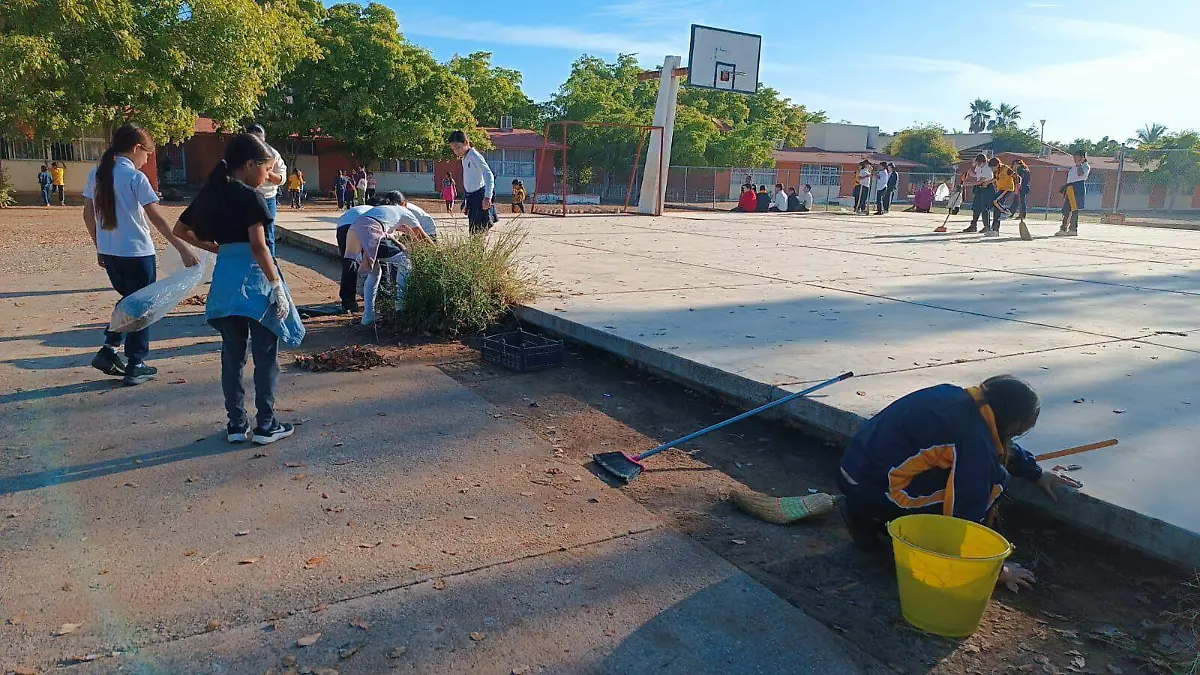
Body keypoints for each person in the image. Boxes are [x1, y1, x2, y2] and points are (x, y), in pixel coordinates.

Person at [837, 374, 1082, 591]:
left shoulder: (957, 396)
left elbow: (994, 442)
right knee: (995, 482)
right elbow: (967, 511)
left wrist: (1036, 473)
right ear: (1012, 423)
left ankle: (864, 514)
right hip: (877, 490)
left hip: (854, 470)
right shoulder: (973, 440)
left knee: (970, 470)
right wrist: (995, 570)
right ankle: (887, 528)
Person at [171, 133, 302, 446]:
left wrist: (218, 249)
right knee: (265, 355)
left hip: (225, 283)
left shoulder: (212, 192)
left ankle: (236, 424)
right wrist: (276, 285)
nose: (267, 177)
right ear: (250, 165)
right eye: (265, 169)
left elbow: (180, 229)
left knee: (232, 356)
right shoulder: (251, 197)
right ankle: (266, 425)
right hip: (256, 281)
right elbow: (259, 246)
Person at [82, 123, 200, 386]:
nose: (147, 159)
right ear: (137, 148)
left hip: (111, 252)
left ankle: (109, 349)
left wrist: (99, 246)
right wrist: (182, 247)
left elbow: (87, 214)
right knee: (142, 308)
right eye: (147, 153)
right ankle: (135, 363)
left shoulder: (97, 173)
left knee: (129, 302)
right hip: (136, 252)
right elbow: (157, 218)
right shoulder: (135, 178)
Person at [343, 194, 433, 326]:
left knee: (374, 273)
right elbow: (421, 235)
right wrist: (436, 250)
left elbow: (397, 232)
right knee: (406, 261)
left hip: (353, 231)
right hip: (371, 231)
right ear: (403, 204)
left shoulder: (384, 210)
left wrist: (403, 244)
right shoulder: (405, 211)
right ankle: (401, 307)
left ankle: (368, 316)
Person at [447, 130, 496, 235]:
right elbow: (469, 181)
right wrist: (466, 201)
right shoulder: (464, 158)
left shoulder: (474, 156)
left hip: (480, 196)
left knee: (479, 232)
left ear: (466, 142)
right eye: (453, 149)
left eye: (458, 147)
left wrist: (487, 197)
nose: (456, 151)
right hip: (471, 197)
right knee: (473, 232)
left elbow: (488, 175)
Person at [246, 125, 285, 254]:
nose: (258, 143)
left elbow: (282, 178)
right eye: (254, 139)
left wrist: (267, 173)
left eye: (260, 140)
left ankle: (270, 260)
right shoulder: (242, 154)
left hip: (268, 198)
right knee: (247, 232)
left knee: (268, 232)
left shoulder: (273, 154)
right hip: (247, 197)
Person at [335, 203, 374, 313]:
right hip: (358, 227)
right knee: (376, 261)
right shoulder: (377, 212)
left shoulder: (359, 209)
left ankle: (348, 302)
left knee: (349, 262)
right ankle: (379, 296)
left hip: (342, 228)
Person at [1057, 150, 1089, 237]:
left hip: (1077, 188)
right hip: (1070, 188)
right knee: (1067, 209)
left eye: (1076, 157)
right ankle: (1064, 228)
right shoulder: (1074, 167)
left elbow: (1080, 174)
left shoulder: (1085, 166)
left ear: (1082, 158)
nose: (1074, 159)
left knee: (1074, 209)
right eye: (1074, 157)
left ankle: (1072, 229)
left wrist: (1079, 164)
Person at [962, 154, 995, 234]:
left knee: (984, 208)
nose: (978, 164)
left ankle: (987, 227)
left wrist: (968, 184)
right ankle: (973, 226)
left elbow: (981, 181)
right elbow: (977, 176)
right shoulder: (978, 167)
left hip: (987, 188)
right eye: (977, 163)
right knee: (976, 207)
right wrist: (971, 174)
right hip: (979, 188)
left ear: (983, 161)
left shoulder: (987, 168)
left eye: (979, 163)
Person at [989, 157, 1021, 235]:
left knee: (995, 201)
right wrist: (987, 183)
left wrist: (1018, 185)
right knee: (996, 208)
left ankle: (1006, 212)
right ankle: (995, 230)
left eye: (992, 167)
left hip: (1007, 189)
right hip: (1000, 190)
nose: (992, 169)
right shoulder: (997, 171)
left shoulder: (1006, 169)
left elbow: (1017, 177)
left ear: (997, 165)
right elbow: (995, 179)